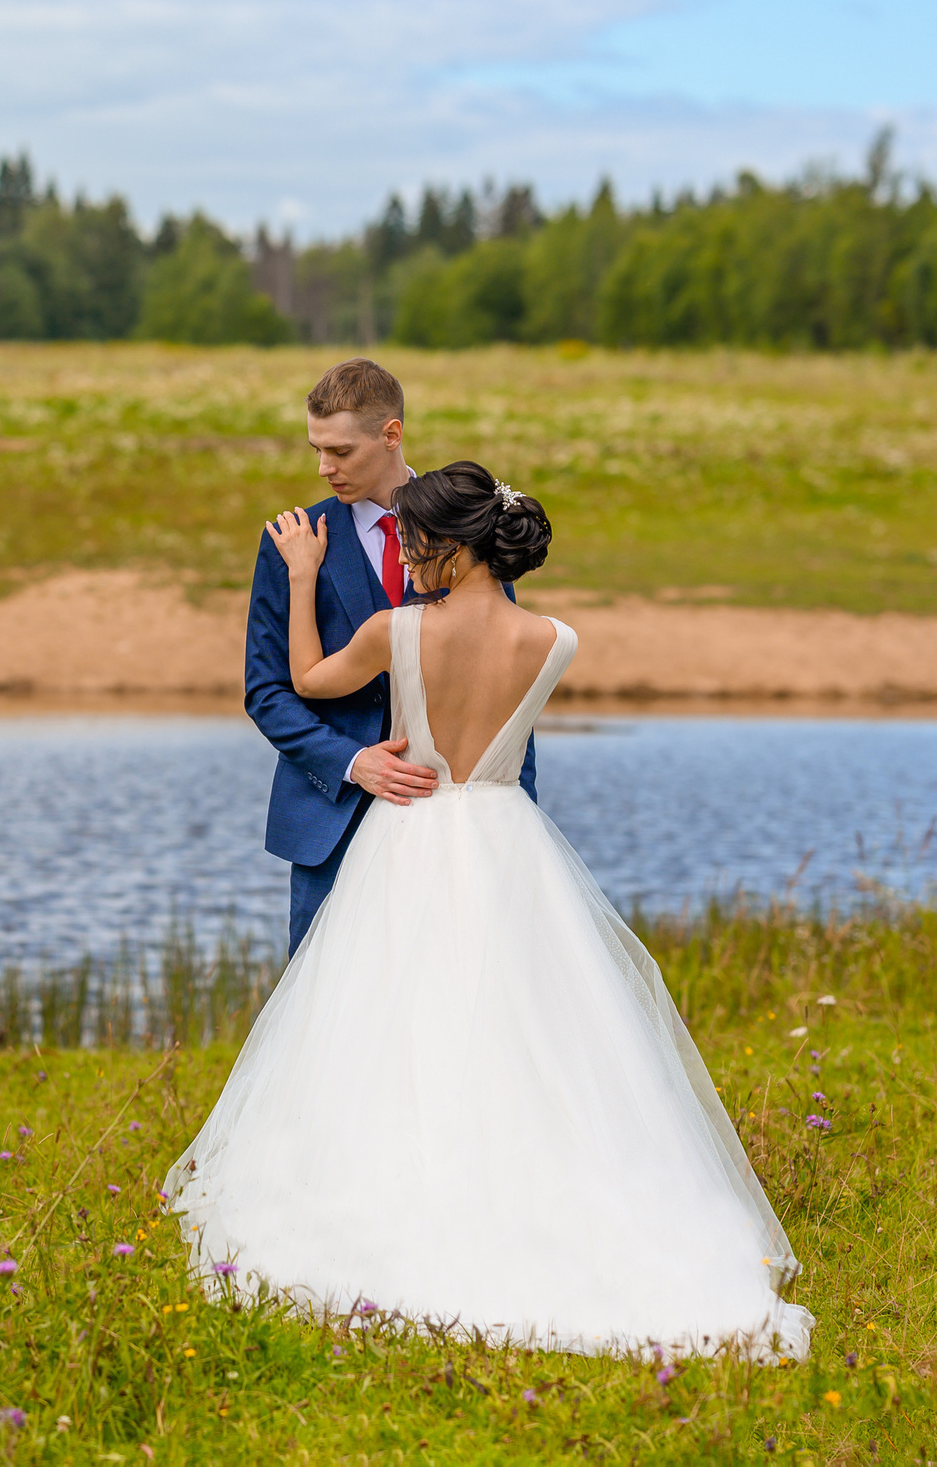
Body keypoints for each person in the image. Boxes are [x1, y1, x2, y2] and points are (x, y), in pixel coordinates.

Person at [166, 463, 814, 1360]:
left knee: (395, 1022)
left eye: (413, 543)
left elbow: (308, 680)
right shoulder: (556, 640)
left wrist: (306, 576)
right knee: (529, 1026)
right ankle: (542, 1195)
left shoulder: (398, 630)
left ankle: (401, 1197)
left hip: (414, 835)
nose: (403, 556)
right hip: (511, 841)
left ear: (450, 548)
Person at [244, 359, 533, 957]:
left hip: (454, 825)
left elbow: (504, 682)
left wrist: (515, 814)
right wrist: (352, 762)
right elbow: (267, 691)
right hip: (333, 819)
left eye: (341, 451)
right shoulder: (294, 541)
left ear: (391, 434)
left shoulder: (470, 530)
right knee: (324, 1007)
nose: (325, 468)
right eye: (316, 449)